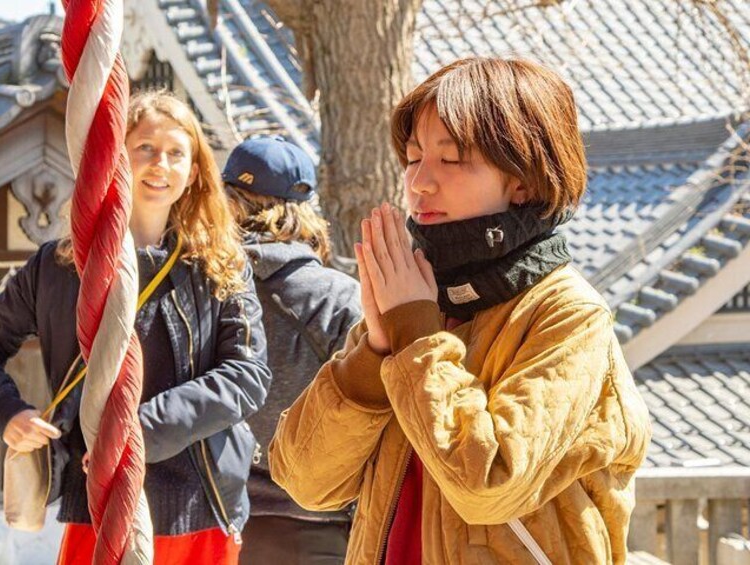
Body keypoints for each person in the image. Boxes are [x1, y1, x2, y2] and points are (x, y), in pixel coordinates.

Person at [270, 57, 652, 564]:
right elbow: (305, 480)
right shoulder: (419, 303)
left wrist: (414, 337)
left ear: (524, 181)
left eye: (451, 160)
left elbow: (487, 486)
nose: (420, 182)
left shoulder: (568, 316)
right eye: (412, 158)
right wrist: (376, 349)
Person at [0, 90, 271, 564]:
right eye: (145, 148)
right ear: (114, 160)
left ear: (194, 172)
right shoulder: (57, 268)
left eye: (176, 153)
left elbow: (248, 376)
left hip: (198, 506)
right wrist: (5, 411)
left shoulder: (220, 266)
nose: (160, 164)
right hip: (94, 505)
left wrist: (137, 428)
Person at [221, 137, 361, 565]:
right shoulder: (341, 297)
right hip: (325, 529)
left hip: (221, 525)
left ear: (229, 203)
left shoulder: (207, 291)